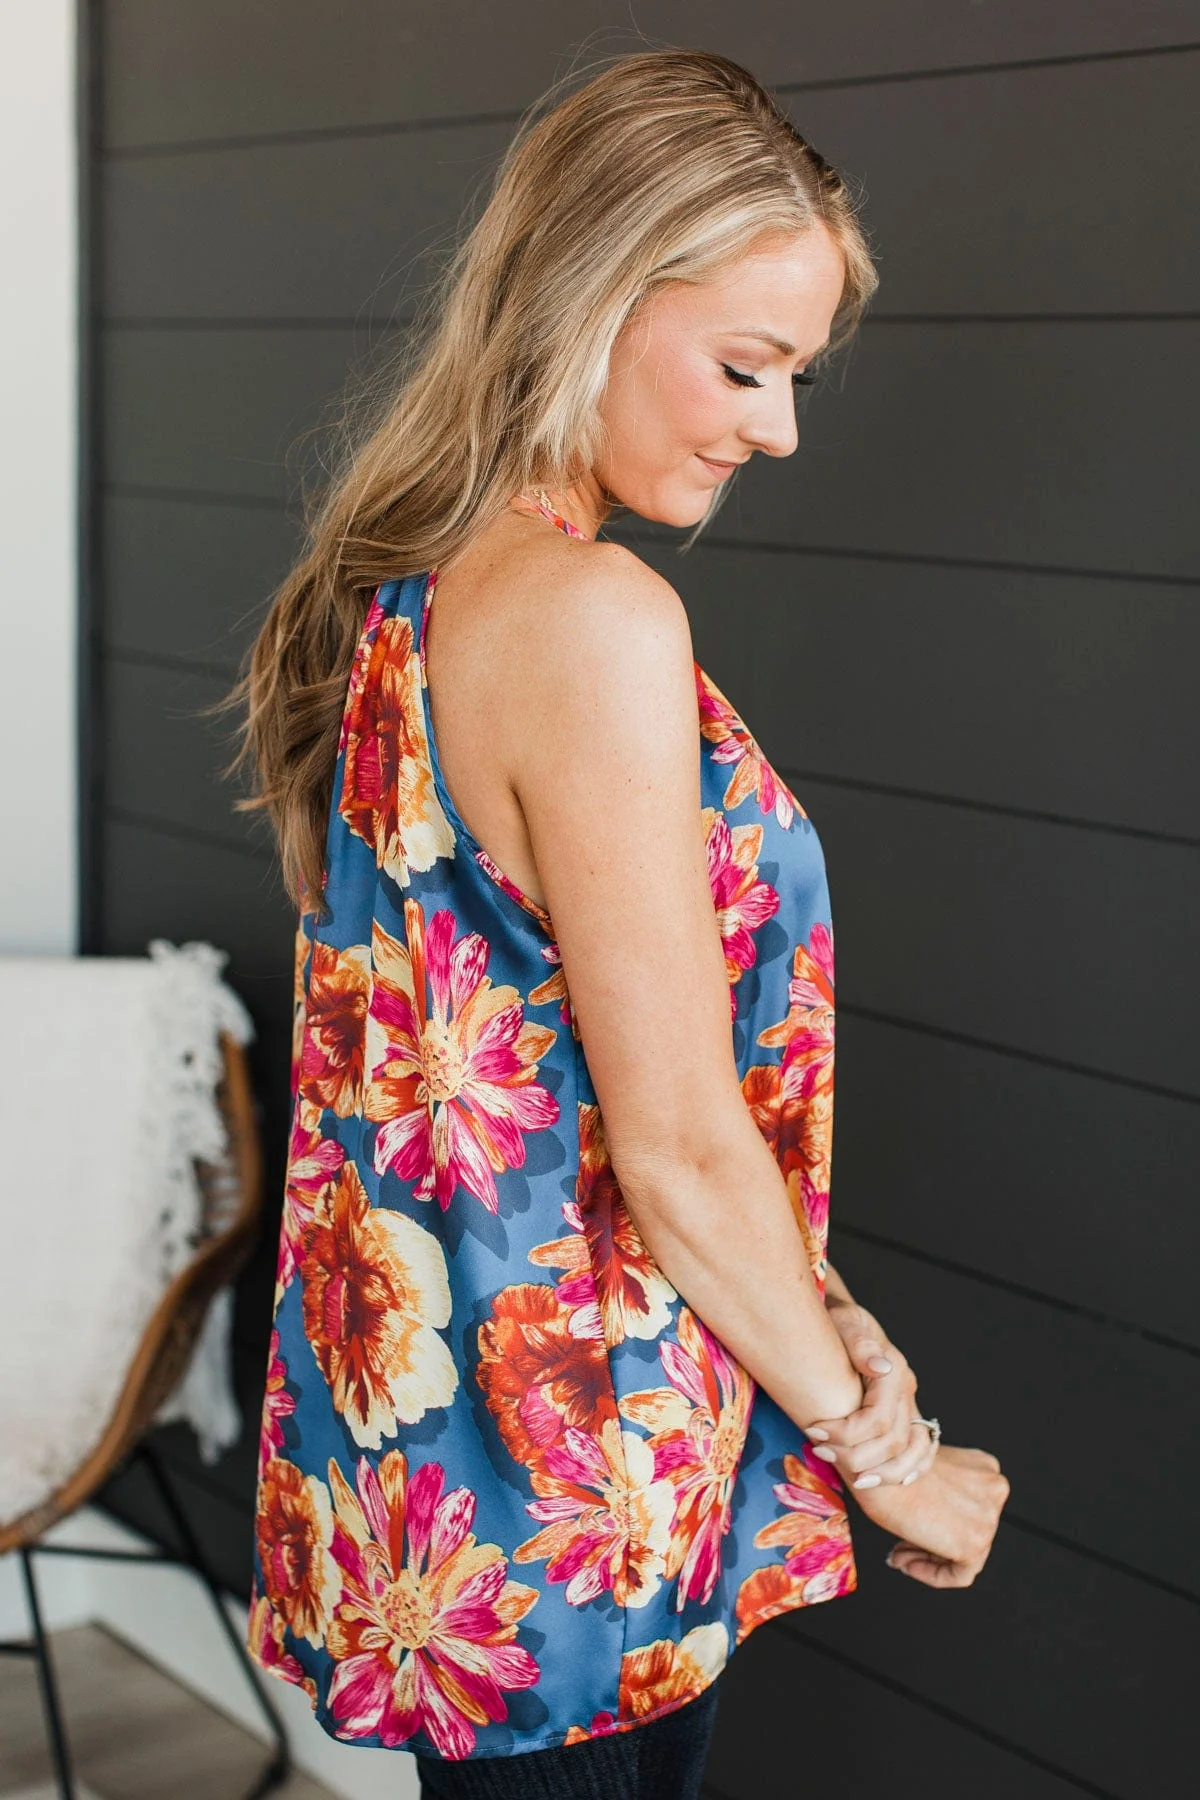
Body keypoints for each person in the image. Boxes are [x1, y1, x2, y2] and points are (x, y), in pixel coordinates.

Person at [225, 47, 1009, 1800]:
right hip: (572, 1512)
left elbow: (568, 1096)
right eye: (746, 365)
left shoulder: (418, 588)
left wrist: (829, 1329)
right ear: (590, 298)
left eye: (795, 375)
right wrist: (894, 1455)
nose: (778, 427)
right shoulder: (589, 619)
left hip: (465, 1504)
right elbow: (669, 1146)